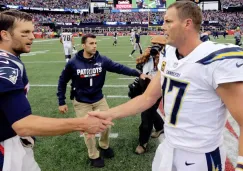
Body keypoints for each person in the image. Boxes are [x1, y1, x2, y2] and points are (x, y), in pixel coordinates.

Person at [89, 1, 243, 171]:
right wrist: (108, 115)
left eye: (168, 21)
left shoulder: (217, 60)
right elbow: (148, 97)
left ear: (187, 23)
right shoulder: (168, 53)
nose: (162, 27)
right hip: (169, 148)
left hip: (200, 155)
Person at [0, 10, 113, 171]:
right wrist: (82, 124)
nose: (32, 36)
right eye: (25, 32)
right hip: (5, 145)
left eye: (32, 31)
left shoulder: (10, 58)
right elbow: (23, 124)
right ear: (5, 35)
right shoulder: (4, 65)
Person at [57, 33, 147, 168]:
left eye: (95, 43)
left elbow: (119, 67)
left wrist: (138, 73)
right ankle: (94, 155)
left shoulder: (102, 60)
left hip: (99, 99)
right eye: (91, 43)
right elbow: (62, 81)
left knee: (106, 124)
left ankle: (104, 145)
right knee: (88, 131)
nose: (94, 46)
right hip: (81, 102)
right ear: (83, 45)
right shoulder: (73, 63)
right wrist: (61, 101)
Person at [133, 35, 166, 155]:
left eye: (160, 46)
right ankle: (160, 127)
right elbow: (139, 66)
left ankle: (143, 143)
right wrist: (144, 56)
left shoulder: (168, 59)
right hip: (145, 87)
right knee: (150, 111)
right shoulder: (147, 56)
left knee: (146, 116)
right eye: (154, 45)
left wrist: (160, 59)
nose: (156, 48)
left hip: (156, 90)